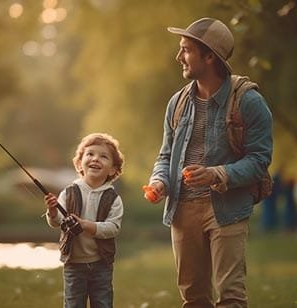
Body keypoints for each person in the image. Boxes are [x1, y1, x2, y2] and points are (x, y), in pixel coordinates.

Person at [144, 17, 273, 307]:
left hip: (226, 209)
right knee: (193, 298)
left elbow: (259, 161)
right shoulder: (177, 103)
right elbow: (165, 155)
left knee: (231, 296)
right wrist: (159, 182)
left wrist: (216, 174)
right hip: (182, 209)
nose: (179, 57)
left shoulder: (249, 103)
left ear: (210, 56)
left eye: (186, 49)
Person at [44, 133, 125, 308]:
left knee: (102, 303)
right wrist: (52, 210)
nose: (95, 159)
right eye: (90, 154)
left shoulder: (113, 198)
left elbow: (113, 228)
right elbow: (57, 222)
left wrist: (86, 225)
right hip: (73, 264)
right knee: (73, 304)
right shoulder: (68, 192)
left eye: (103, 156)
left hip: (101, 264)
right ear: (80, 163)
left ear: (112, 169)